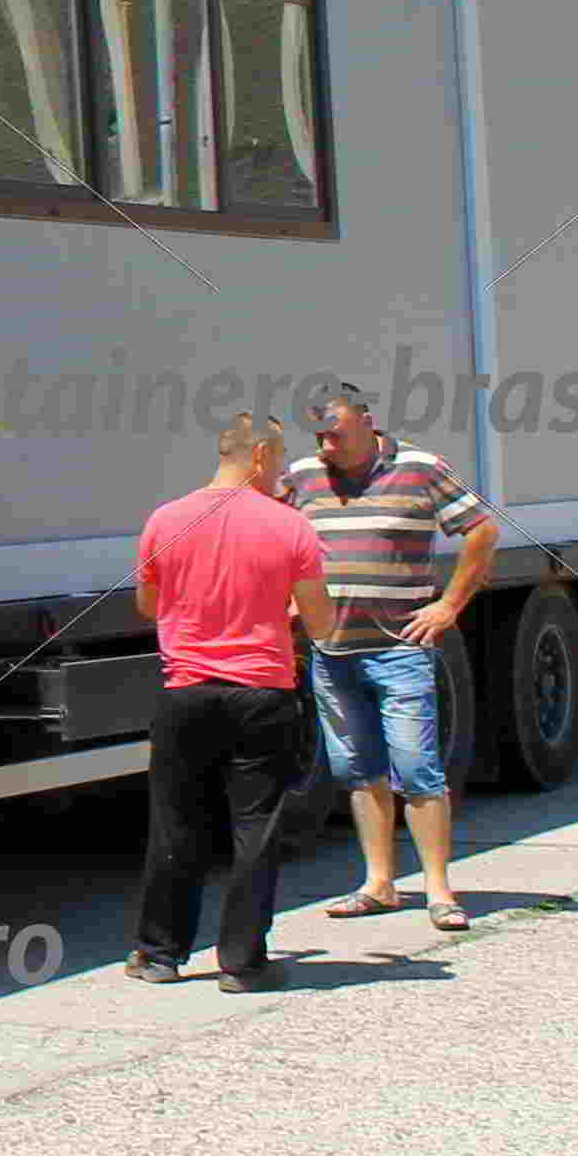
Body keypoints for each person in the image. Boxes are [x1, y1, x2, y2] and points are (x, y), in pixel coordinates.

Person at [130, 414, 341, 992]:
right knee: (256, 827)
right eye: (280, 460)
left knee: (177, 822)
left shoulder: (165, 519)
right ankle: (243, 963)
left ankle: (159, 955)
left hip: (186, 691)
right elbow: (319, 621)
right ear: (260, 455)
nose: (282, 472)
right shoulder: (290, 525)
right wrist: (287, 611)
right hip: (261, 692)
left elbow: (149, 604)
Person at [280, 383, 498, 932]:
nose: (326, 445)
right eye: (319, 436)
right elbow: (271, 536)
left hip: (400, 649)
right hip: (332, 650)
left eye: (335, 433)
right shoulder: (303, 476)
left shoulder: (420, 467)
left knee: (418, 768)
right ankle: (378, 884)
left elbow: (482, 529)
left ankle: (439, 890)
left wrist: (449, 604)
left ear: (366, 420)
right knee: (358, 770)